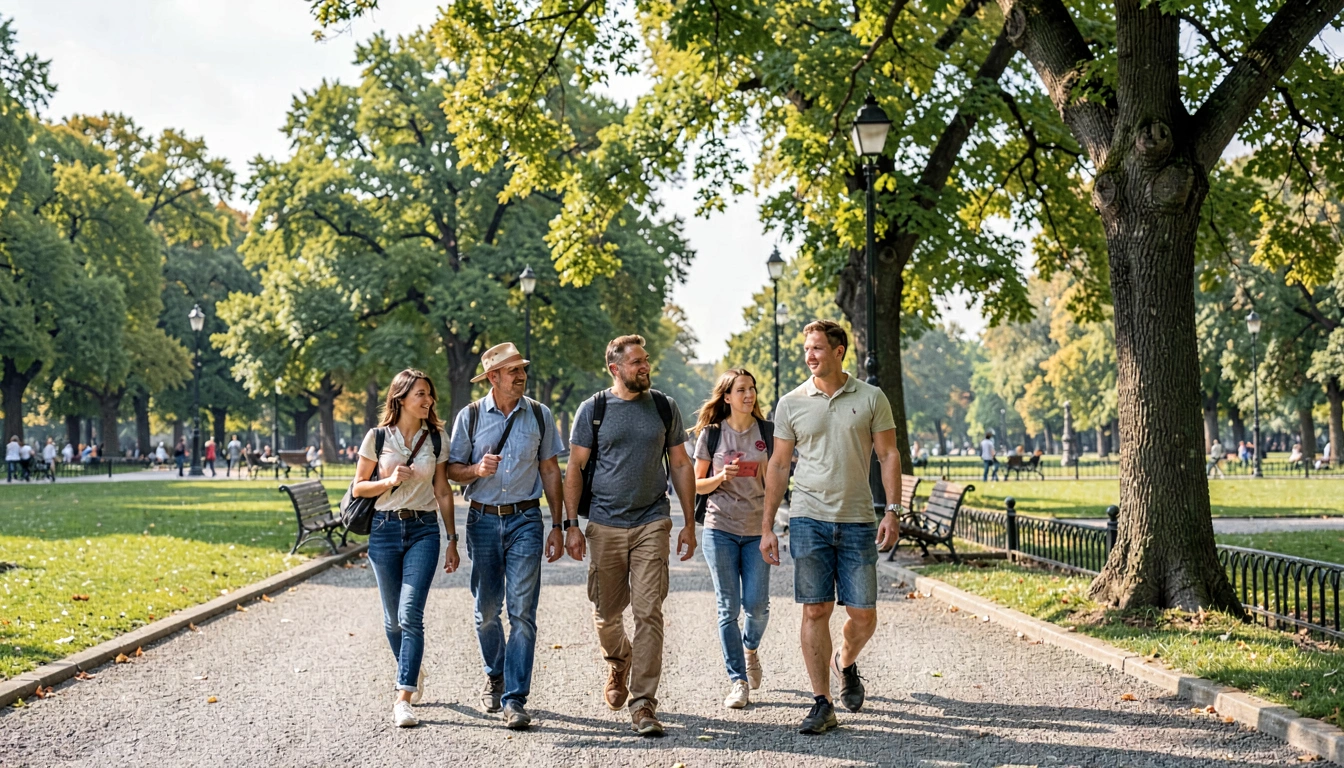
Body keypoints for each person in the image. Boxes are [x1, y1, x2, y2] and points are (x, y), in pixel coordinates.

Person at [761, 319, 902, 735]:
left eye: (818, 348)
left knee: (863, 615)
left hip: (858, 518)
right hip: (808, 518)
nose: (810, 355)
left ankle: (846, 661)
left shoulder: (872, 397)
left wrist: (892, 510)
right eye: (807, 348)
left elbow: (889, 455)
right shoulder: (791, 403)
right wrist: (767, 525)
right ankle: (821, 702)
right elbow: (780, 464)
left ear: (839, 351)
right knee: (815, 608)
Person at [563, 334, 697, 737]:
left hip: (652, 521)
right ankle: (619, 661)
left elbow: (680, 463)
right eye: (636, 361)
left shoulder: (663, 406)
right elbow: (574, 467)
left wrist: (689, 522)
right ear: (615, 368)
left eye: (646, 359)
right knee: (606, 615)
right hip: (604, 524)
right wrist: (571, 525)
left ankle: (643, 704)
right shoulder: (594, 409)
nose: (644, 366)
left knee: (648, 612)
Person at [447, 342, 569, 731]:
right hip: (482, 520)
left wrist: (559, 525)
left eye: (522, 370)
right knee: (486, 612)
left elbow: (550, 470)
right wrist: (476, 470)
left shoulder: (539, 414)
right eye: (513, 371)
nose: (521, 376)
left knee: (522, 612)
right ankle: (494, 674)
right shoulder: (468, 417)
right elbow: (451, 468)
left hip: (525, 520)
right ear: (493, 377)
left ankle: (515, 698)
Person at [352, 368, 457, 729]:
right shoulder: (378, 437)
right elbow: (358, 489)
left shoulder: (438, 439)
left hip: (423, 529)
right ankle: (411, 667)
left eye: (430, 394)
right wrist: (389, 480)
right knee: (392, 619)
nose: (428, 401)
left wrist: (452, 538)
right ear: (401, 399)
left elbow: (443, 490)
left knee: (410, 614)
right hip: (383, 529)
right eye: (421, 395)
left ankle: (403, 696)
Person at [692, 368, 773, 710]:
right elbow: (695, 484)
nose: (749, 395)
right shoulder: (712, 435)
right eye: (741, 389)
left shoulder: (766, 433)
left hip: (756, 530)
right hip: (719, 527)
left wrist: (770, 527)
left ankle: (750, 648)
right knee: (728, 608)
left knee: (756, 605)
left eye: (752, 389)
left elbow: (774, 484)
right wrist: (721, 475)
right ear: (727, 397)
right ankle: (738, 681)